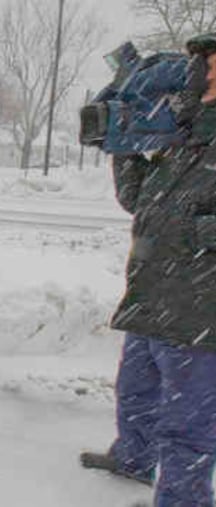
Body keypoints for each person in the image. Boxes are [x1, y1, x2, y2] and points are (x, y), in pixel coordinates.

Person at [80, 33, 216, 506]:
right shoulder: (183, 136)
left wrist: (201, 232)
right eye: (207, 65)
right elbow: (139, 200)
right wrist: (119, 145)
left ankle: (183, 501)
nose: (209, 75)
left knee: (188, 427)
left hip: (200, 313)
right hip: (152, 298)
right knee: (136, 393)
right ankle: (134, 459)